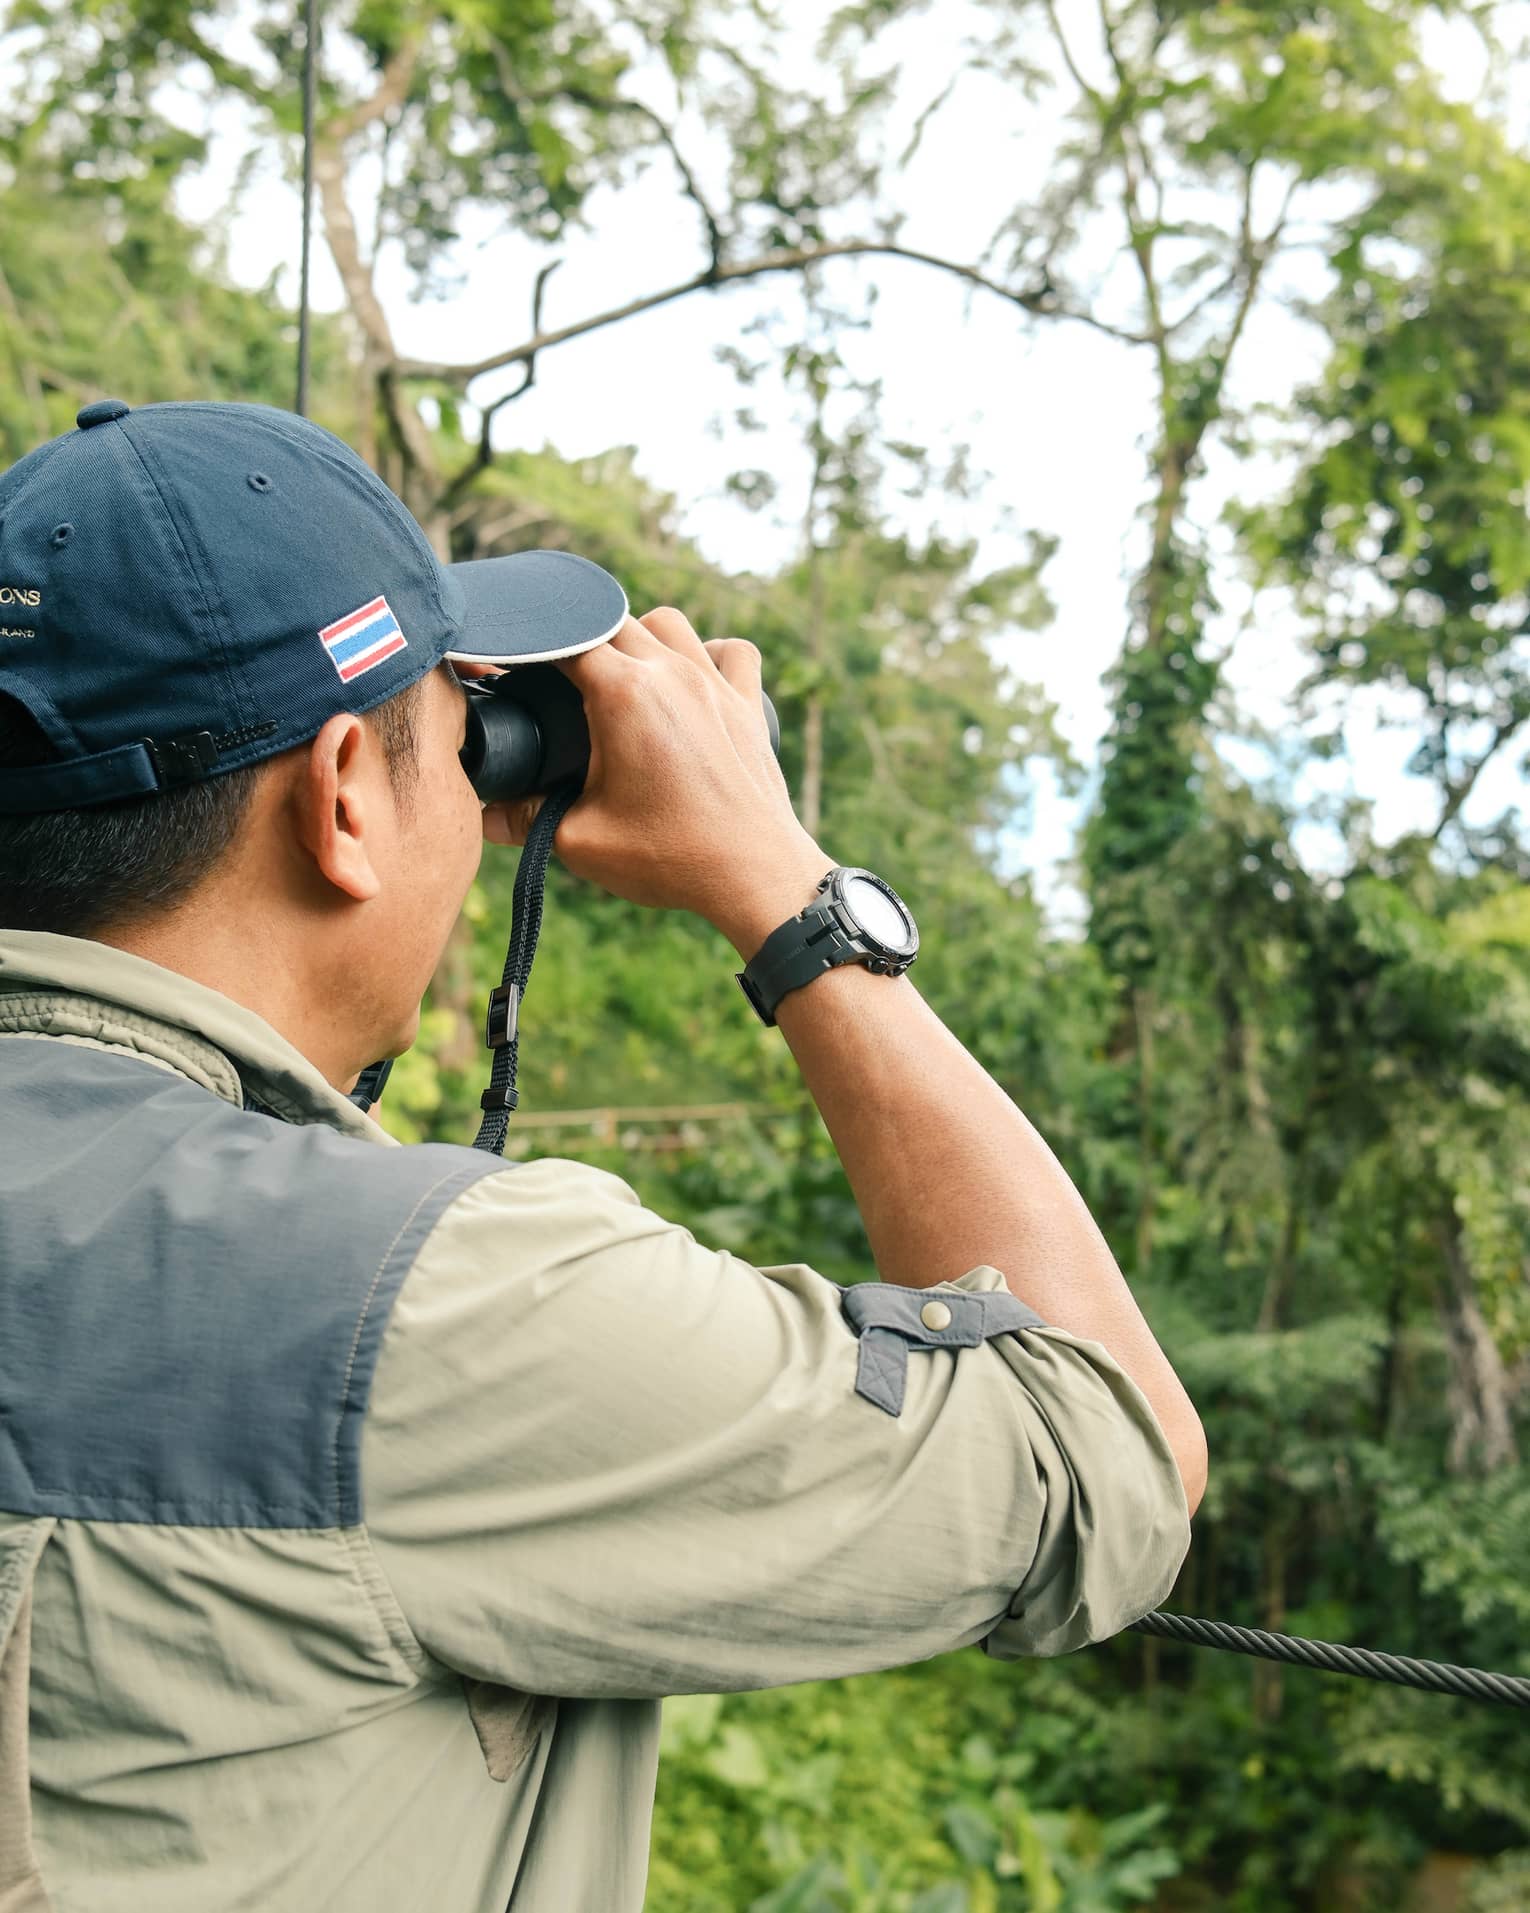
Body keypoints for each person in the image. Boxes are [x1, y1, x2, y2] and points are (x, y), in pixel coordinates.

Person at [0, 399, 1205, 1913]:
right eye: (454, 736)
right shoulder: (432, 1307)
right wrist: (786, 887)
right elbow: (1105, 1459)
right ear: (344, 800)